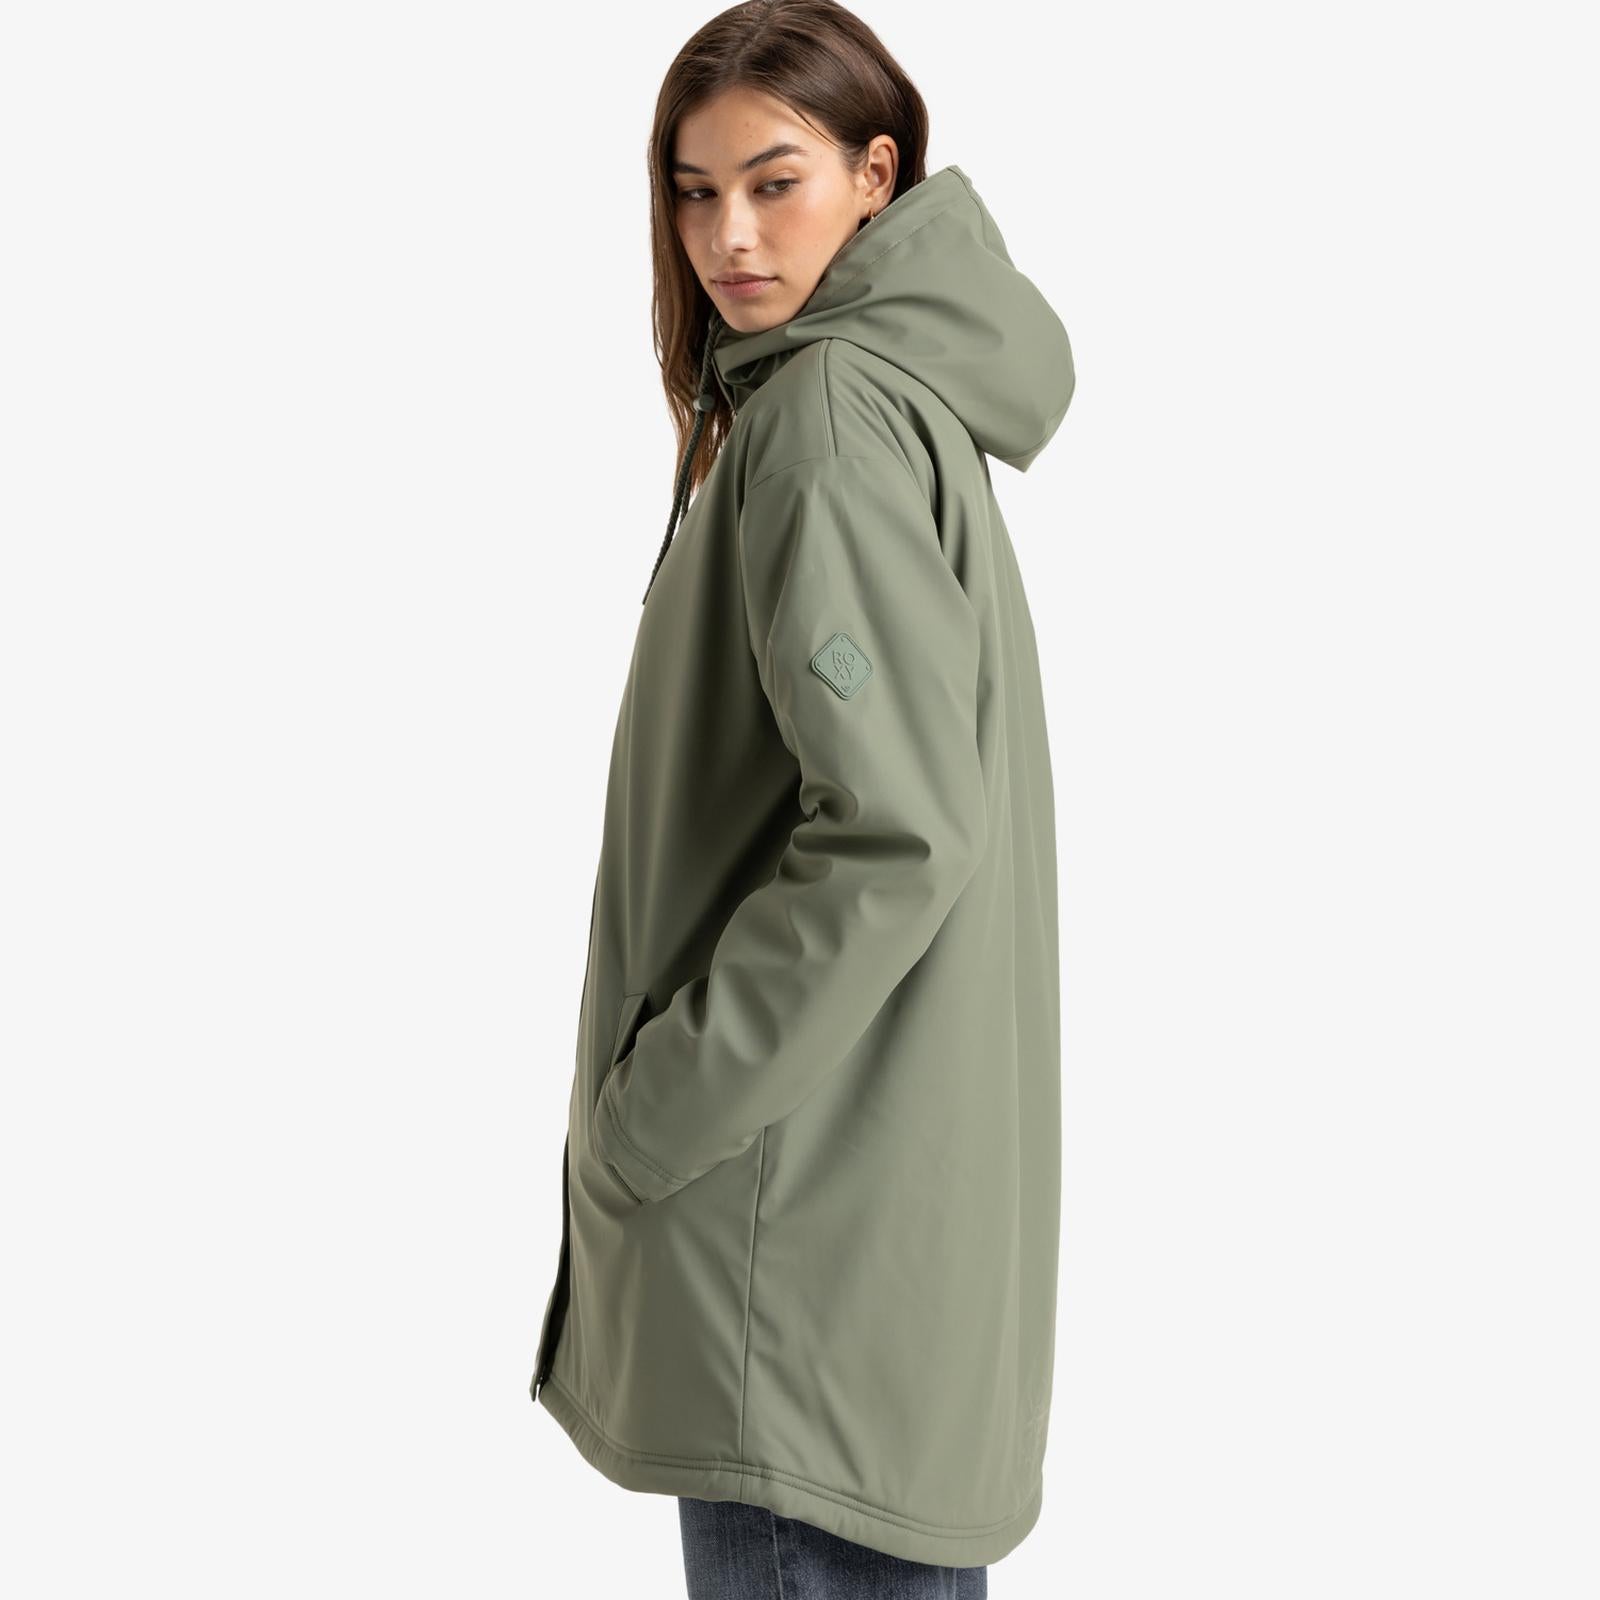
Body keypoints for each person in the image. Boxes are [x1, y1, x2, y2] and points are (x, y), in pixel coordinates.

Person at [529, 2, 1074, 1592]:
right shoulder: (873, 400)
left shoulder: (825, 421)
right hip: (865, 1248)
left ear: (875, 176)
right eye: (694, 192)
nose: (728, 237)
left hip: (794, 1260)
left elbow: (897, 831)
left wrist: (655, 1113)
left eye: (775, 183)